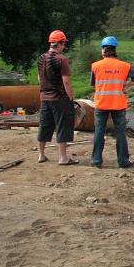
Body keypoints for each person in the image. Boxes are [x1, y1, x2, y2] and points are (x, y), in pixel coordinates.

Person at [90, 36, 134, 168]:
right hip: (118, 104)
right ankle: (123, 161)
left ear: (103, 50)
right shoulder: (125, 66)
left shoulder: (95, 66)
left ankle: (96, 161)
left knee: (99, 132)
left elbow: (93, 84)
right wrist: (125, 87)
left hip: (101, 103)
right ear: (114, 49)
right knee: (120, 133)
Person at [37, 30, 77, 165]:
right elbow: (66, 81)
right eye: (63, 43)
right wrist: (71, 97)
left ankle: (41, 155)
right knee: (62, 126)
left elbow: (39, 78)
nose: (64, 46)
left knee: (44, 125)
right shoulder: (61, 59)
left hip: (44, 98)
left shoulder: (41, 58)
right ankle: (63, 158)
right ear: (59, 44)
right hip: (59, 98)